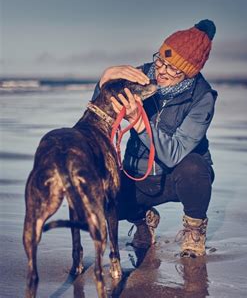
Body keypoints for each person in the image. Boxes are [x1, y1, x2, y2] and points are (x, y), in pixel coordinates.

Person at [91, 19, 218, 257]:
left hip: (176, 177)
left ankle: (194, 229)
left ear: (189, 73)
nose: (160, 71)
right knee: (101, 199)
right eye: (160, 60)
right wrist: (104, 80)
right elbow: (100, 112)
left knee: (194, 167)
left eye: (172, 68)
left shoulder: (202, 97)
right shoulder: (139, 76)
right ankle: (143, 220)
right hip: (137, 173)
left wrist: (139, 122)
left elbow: (174, 154)